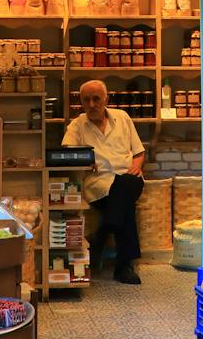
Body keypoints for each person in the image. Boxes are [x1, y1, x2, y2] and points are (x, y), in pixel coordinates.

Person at [61, 79, 145, 285]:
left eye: (96, 99)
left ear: (106, 99)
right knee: (125, 205)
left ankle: (102, 233)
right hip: (99, 185)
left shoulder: (122, 118)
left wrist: (137, 165)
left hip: (129, 177)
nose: (91, 104)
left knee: (125, 184)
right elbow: (67, 154)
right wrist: (83, 163)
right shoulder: (77, 125)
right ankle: (124, 265)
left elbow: (139, 151)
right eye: (86, 100)